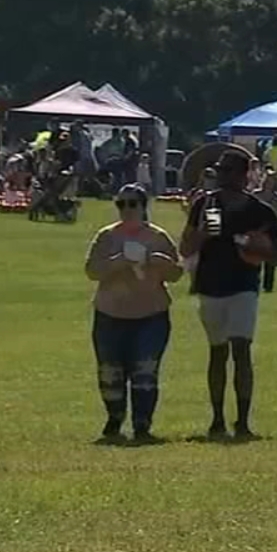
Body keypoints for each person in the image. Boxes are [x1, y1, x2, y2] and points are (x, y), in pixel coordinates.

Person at [180, 151, 277, 439]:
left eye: (229, 171)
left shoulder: (260, 212)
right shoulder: (206, 204)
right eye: (220, 171)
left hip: (243, 286)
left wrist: (256, 248)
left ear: (244, 176)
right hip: (210, 285)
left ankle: (242, 422)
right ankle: (217, 420)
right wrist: (204, 234)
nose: (223, 176)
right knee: (217, 353)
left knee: (241, 350)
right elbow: (185, 248)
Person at [85, 185, 182, 442]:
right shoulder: (106, 237)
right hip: (110, 313)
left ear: (143, 207)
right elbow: (92, 270)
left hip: (151, 315)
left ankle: (142, 424)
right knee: (110, 371)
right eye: (121, 204)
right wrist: (118, 261)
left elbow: (177, 273)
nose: (126, 210)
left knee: (145, 370)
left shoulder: (157, 237)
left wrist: (162, 262)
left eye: (132, 204)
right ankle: (114, 418)